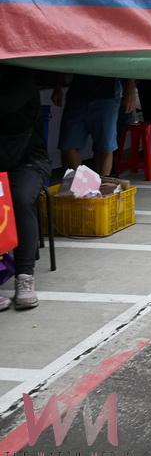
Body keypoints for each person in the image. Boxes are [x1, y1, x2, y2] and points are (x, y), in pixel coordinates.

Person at [0, 65, 50, 311]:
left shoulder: (22, 79)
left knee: (20, 199)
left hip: (29, 161)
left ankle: (24, 277)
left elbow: (7, 106)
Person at [53, 74, 132, 177]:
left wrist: (130, 90)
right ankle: (83, 185)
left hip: (108, 94)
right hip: (77, 93)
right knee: (68, 145)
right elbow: (61, 60)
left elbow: (126, 61)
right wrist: (57, 86)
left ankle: (101, 185)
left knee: (105, 147)